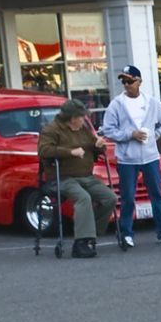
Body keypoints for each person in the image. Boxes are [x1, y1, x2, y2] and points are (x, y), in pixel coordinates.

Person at [100, 65, 161, 246]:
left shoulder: (151, 102)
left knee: (157, 195)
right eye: (124, 81)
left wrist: (156, 135)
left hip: (150, 156)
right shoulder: (117, 104)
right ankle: (127, 233)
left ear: (139, 81)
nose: (127, 85)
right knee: (128, 197)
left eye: (130, 81)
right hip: (127, 159)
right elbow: (108, 129)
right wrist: (129, 135)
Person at [37, 98, 117, 259]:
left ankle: (91, 234)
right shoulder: (52, 130)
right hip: (62, 177)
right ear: (73, 118)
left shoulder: (83, 129)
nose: (84, 119)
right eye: (81, 117)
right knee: (83, 198)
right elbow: (44, 150)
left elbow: (95, 146)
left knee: (110, 198)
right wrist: (70, 152)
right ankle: (80, 243)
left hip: (86, 176)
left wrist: (100, 146)